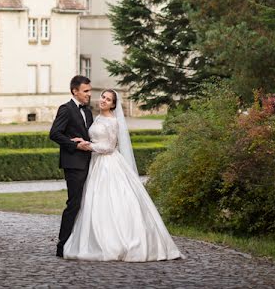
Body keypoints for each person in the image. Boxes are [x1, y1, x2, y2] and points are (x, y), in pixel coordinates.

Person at [62, 89, 182, 262]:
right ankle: (97, 240)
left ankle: (119, 242)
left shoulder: (113, 121)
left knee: (113, 201)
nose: (103, 100)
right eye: (103, 97)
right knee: (94, 202)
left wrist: (87, 145)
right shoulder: (97, 117)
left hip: (108, 164)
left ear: (113, 105)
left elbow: (109, 147)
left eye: (108, 99)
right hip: (96, 164)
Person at [49, 75, 94, 258]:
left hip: (90, 163)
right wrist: (74, 145)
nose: (89, 94)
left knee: (88, 203)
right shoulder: (66, 109)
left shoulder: (88, 111)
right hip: (74, 164)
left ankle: (81, 242)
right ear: (75, 91)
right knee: (74, 203)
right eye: (86, 91)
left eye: (89, 91)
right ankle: (62, 245)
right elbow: (54, 134)